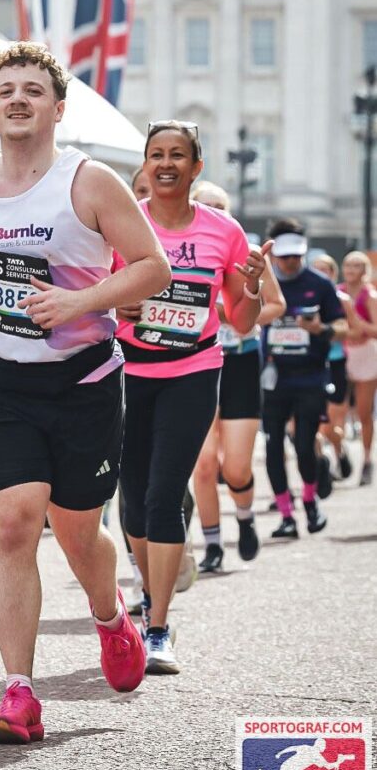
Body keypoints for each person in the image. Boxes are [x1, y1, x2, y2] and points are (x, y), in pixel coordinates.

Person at [0, 41, 170, 744]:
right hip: (4, 380)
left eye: (33, 90)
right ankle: (19, 694)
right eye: (6, 91)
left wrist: (78, 303)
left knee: (76, 532)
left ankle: (111, 617)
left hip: (83, 382)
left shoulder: (90, 181)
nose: (18, 99)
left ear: (58, 108)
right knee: (13, 523)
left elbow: (153, 268)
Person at [115, 122, 270, 675]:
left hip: (193, 372)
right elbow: (95, 294)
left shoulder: (223, 230)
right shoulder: (123, 222)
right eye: (156, 154)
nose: (166, 163)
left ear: (195, 166)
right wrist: (116, 306)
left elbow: (242, 321)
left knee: (162, 495)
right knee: (132, 501)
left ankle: (157, 628)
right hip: (128, 373)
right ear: (145, 165)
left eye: (177, 155)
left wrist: (252, 286)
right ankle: (149, 583)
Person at [191, 181, 285, 571]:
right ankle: (212, 544)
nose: (213, 212)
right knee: (204, 464)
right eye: (205, 205)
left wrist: (237, 316)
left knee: (235, 468)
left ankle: (245, 518)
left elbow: (277, 305)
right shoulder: (184, 252)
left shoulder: (248, 252)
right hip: (197, 362)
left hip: (240, 363)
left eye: (220, 206)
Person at [262, 220, 347, 538]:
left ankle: (310, 502)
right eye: (284, 256)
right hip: (273, 377)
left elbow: (342, 327)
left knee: (303, 445)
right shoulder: (263, 283)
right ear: (274, 255)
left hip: (310, 376)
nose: (291, 262)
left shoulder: (319, 284)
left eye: (296, 256)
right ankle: (286, 515)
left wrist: (319, 329)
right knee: (272, 446)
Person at [310, 254, 353, 482]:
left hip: (335, 363)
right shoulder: (302, 297)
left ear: (333, 273)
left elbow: (353, 331)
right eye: (315, 269)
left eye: (324, 269)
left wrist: (327, 330)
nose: (320, 274)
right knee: (312, 424)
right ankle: (320, 470)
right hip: (309, 364)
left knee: (329, 426)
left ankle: (339, 450)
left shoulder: (342, 300)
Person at [339, 251, 377, 486]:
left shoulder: (370, 296)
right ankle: (339, 454)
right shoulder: (337, 292)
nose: (351, 270)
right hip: (342, 354)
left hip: (366, 355)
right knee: (336, 411)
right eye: (348, 265)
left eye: (356, 265)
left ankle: (367, 460)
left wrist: (355, 321)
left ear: (364, 270)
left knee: (364, 412)